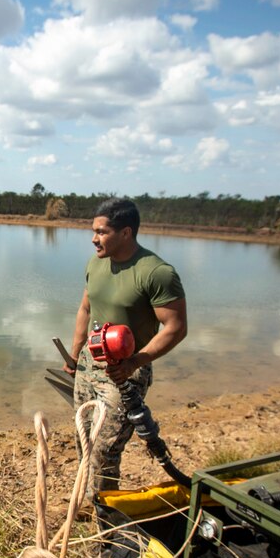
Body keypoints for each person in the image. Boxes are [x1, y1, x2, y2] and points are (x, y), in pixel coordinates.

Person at [63, 197, 188, 494]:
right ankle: (86, 498)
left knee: (104, 451)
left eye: (102, 232)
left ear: (126, 233)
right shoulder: (96, 263)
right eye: (93, 231)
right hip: (88, 365)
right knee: (84, 438)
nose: (94, 239)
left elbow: (176, 327)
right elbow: (85, 309)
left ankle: (106, 521)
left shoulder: (157, 273)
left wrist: (135, 362)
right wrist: (74, 355)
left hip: (126, 372)